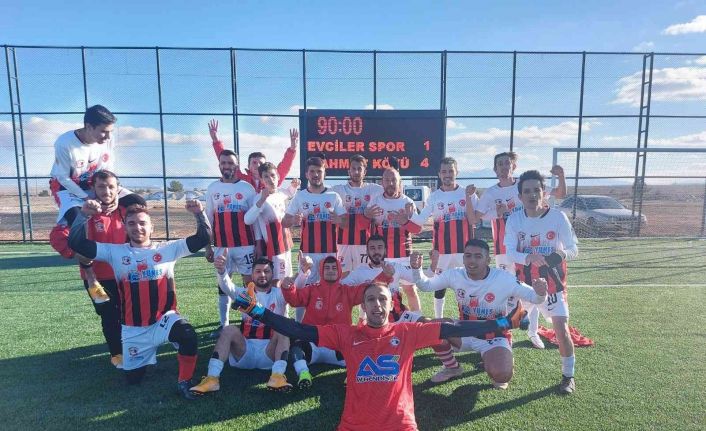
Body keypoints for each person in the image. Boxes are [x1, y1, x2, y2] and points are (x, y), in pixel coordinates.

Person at [231, 279, 528, 430]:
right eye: (370, 299)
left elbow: (455, 327)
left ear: (390, 304)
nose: (376, 304)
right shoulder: (346, 334)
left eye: (382, 299)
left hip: (401, 425)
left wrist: (502, 323)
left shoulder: (407, 332)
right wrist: (258, 311)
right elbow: (298, 329)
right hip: (354, 426)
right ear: (363, 306)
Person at [68, 200, 210, 400]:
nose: (138, 227)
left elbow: (204, 237)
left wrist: (199, 213)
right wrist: (82, 215)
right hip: (133, 328)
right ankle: (145, 356)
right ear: (125, 227)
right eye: (132, 223)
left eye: (143, 223)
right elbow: (76, 243)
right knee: (133, 379)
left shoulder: (168, 249)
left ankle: (184, 381)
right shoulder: (115, 252)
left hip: (163, 320)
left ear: (152, 227)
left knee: (187, 334)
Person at [410, 240, 548, 387]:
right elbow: (425, 285)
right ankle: (452, 368)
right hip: (464, 332)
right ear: (463, 258)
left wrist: (541, 293)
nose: (472, 260)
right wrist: (416, 269)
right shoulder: (455, 274)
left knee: (502, 376)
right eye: (468, 256)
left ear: (488, 260)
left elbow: (534, 297)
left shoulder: (503, 278)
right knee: (431, 328)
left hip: (494, 336)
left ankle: (497, 355)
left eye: (478, 256)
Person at [467, 152, 566, 348]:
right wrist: (487, 207)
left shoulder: (525, 186)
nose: (504, 167)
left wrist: (561, 176)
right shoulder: (491, 193)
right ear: (495, 169)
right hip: (504, 250)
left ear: (513, 166)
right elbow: (474, 218)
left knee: (534, 286)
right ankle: (504, 336)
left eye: (507, 163)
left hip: (529, 249)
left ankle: (532, 332)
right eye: (500, 164)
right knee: (505, 291)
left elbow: (560, 193)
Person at [504, 170, 579, 394]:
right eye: (527, 191)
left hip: (553, 286)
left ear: (544, 193)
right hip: (524, 287)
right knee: (507, 323)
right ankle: (500, 360)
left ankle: (568, 376)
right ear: (520, 196)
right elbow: (510, 252)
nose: (532, 195)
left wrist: (559, 255)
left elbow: (573, 249)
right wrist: (528, 257)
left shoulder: (558, 217)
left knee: (561, 329)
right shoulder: (514, 219)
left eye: (537, 190)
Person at [278, 252, 394, 388]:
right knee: (296, 348)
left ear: (339, 271)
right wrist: (288, 288)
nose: (330, 271)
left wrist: (385, 276)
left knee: (360, 348)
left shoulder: (347, 291)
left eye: (334, 268)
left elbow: (368, 290)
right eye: (327, 268)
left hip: (338, 346)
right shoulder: (312, 289)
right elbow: (295, 300)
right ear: (321, 271)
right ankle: (303, 374)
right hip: (313, 343)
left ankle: (351, 377)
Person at [68, 170, 146, 369]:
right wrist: (90, 276)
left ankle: (134, 349)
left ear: (118, 188)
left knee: (130, 313)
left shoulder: (125, 211)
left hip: (124, 275)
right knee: (109, 315)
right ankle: (117, 354)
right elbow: (75, 244)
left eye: (111, 186)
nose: (107, 191)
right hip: (96, 277)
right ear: (93, 188)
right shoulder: (84, 212)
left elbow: (140, 207)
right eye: (101, 186)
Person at [190, 255, 293, 394]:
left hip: (269, 352)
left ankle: (277, 376)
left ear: (272, 274)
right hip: (244, 351)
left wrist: (303, 274)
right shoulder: (244, 293)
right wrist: (222, 271)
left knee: (284, 329)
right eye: (258, 271)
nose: (262, 274)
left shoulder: (279, 294)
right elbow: (227, 287)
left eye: (266, 271)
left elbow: (297, 293)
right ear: (252, 274)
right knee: (228, 330)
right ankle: (212, 379)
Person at [408, 157, 479, 319]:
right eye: (444, 171)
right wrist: (410, 213)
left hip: (464, 250)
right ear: (439, 174)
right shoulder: (434, 197)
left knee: (468, 285)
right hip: (442, 251)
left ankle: (468, 318)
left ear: (457, 172)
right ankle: (439, 320)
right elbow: (421, 220)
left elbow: (477, 217)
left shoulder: (467, 193)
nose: (448, 174)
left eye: (451, 171)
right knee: (440, 286)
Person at [204, 149, 258, 337]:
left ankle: (248, 322)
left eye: (230, 163)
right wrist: (208, 246)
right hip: (222, 246)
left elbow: (254, 218)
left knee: (249, 283)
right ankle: (224, 324)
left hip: (245, 245)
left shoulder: (247, 188)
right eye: (223, 163)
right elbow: (208, 220)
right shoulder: (212, 188)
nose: (226, 166)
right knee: (222, 284)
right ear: (219, 165)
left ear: (236, 166)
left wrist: (258, 244)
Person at [363, 167, 422, 312]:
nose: (390, 183)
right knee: (379, 291)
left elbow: (418, 229)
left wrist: (406, 222)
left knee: (410, 290)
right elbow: (365, 225)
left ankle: (417, 320)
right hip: (383, 257)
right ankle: (375, 320)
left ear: (399, 182)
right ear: (382, 182)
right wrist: (366, 215)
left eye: (393, 180)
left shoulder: (407, 202)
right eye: (387, 180)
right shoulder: (375, 201)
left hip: (404, 254)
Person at [282, 156, 346, 288]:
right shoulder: (300, 196)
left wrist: (339, 220)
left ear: (324, 173)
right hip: (307, 252)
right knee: (304, 288)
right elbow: (284, 222)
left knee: (329, 288)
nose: (316, 175)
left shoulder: (333, 196)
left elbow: (346, 223)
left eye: (319, 171)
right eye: (312, 171)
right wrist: (293, 220)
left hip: (329, 252)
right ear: (306, 174)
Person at [342, 234, 421, 323]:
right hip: (375, 321)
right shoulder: (360, 272)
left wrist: (416, 267)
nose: (376, 251)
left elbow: (416, 279)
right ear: (367, 252)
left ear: (385, 250)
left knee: (426, 322)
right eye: (372, 248)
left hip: (400, 317)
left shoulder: (394, 267)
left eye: (380, 248)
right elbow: (340, 287)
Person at [244, 162, 300, 283]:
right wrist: (262, 200)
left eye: (273, 175)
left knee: (288, 277)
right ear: (261, 179)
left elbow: (289, 193)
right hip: (273, 247)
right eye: (266, 176)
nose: (270, 179)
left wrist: (294, 186)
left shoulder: (281, 193)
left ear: (278, 176)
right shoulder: (259, 198)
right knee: (276, 280)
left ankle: (286, 296)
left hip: (286, 243)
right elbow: (248, 220)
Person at [209, 119, 298, 192]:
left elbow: (285, 166)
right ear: (249, 166)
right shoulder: (241, 179)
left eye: (261, 163)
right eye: (254, 162)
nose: (258, 165)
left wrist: (292, 148)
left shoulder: (273, 180)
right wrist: (216, 141)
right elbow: (226, 159)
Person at [331, 155, 383, 277]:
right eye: (353, 169)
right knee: (343, 277)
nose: (356, 172)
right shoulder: (338, 190)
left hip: (365, 242)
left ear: (365, 172)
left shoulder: (374, 189)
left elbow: (394, 188)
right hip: (343, 242)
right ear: (348, 171)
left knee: (365, 277)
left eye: (359, 169)